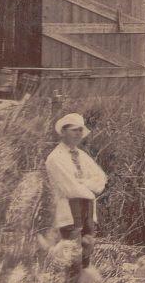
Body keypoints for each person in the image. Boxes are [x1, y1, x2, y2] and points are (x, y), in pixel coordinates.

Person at [45, 113, 107, 265]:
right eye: (74, 130)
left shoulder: (82, 156)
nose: (78, 134)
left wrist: (83, 183)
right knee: (73, 261)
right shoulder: (55, 157)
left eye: (80, 130)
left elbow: (101, 179)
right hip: (69, 213)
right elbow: (70, 188)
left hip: (88, 213)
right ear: (63, 132)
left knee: (86, 258)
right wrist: (89, 188)